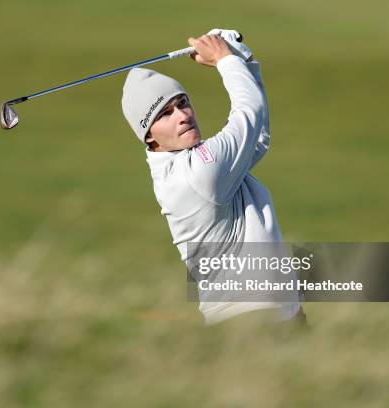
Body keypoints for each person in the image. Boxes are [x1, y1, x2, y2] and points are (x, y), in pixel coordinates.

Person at [121, 29, 303, 325]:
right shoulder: (198, 172)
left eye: (182, 103)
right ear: (150, 138)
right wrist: (225, 60)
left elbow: (257, 138)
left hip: (274, 315)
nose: (182, 115)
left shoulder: (190, 162)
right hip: (249, 322)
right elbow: (249, 112)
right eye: (165, 114)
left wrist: (245, 61)